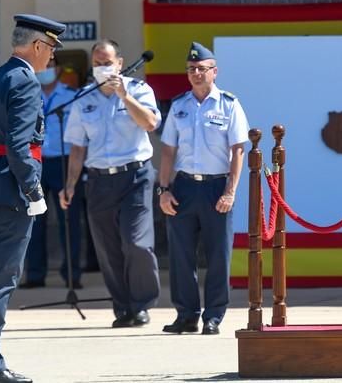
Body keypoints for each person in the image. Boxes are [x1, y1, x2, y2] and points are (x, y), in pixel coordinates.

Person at [0, 14, 65, 383]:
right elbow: (20, 146)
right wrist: (33, 190)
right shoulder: (25, 82)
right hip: (12, 192)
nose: (51, 59)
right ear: (38, 45)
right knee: (1, 280)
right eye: (51, 49)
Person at [60, 39, 161, 328]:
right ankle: (123, 307)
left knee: (136, 243)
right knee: (108, 247)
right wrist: (70, 185)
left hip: (135, 176)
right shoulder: (83, 97)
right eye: (97, 63)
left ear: (120, 62)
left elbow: (151, 124)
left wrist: (124, 96)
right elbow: (78, 146)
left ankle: (141, 304)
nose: (102, 67)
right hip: (99, 180)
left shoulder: (139, 90)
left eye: (107, 62)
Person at [158, 42, 249, 335]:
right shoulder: (180, 105)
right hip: (184, 186)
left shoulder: (229, 104)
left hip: (216, 188)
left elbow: (238, 151)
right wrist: (164, 190)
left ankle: (214, 315)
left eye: (201, 68)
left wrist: (230, 191)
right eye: (191, 69)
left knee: (218, 255)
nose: (196, 73)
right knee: (181, 255)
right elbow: (168, 151)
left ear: (214, 72)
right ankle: (186, 315)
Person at [20, 57, 84, 289]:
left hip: (64, 162)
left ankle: (72, 275)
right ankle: (35, 275)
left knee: (70, 221)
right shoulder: (28, 94)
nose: (44, 71)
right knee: (35, 220)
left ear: (58, 70)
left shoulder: (72, 95)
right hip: (36, 162)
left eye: (49, 66)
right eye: (41, 67)